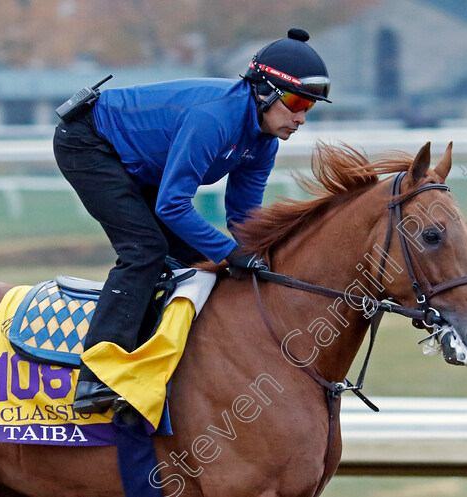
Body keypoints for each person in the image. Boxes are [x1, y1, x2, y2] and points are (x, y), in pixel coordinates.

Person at [52, 28, 331, 414]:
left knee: (195, 259)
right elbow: (172, 206)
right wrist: (232, 253)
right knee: (145, 250)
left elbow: (244, 215)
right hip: (89, 142)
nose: (301, 118)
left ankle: (162, 361)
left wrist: (262, 257)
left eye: (310, 108)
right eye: (297, 103)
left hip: (140, 161)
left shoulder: (263, 141)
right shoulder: (213, 119)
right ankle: (96, 377)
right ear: (264, 91)